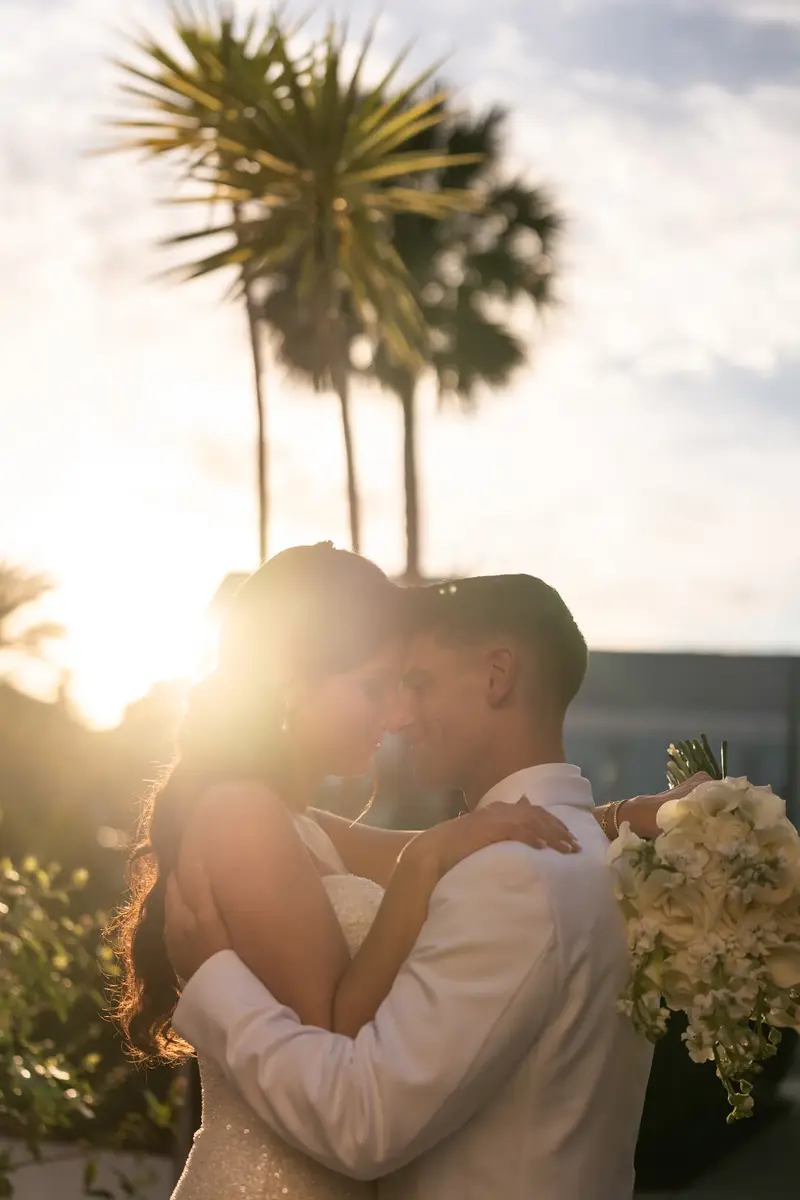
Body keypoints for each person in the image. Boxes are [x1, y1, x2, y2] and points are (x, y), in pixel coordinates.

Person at [163, 567, 702, 1199]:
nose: (396, 714)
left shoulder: (511, 869)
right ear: (289, 685)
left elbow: (433, 850)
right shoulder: (245, 815)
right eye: (379, 686)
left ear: (497, 676)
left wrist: (611, 815)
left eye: (413, 684)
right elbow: (340, 1026)